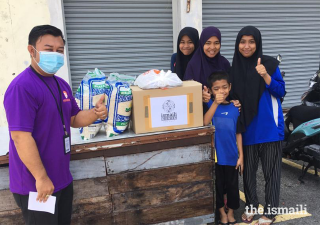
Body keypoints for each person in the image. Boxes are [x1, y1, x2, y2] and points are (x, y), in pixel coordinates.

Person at [3, 25, 108, 225]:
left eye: (59, 50)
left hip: (61, 179)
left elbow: (74, 118)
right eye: (48, 49)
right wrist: (41, 178)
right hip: (36, 186)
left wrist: (96, 113)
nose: (55, 55)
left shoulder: (61, 85)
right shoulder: (22, 88)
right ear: (31, 50)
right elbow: (20, 137)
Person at [229, 26, 285, 225]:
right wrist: (232, 102)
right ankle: (251, 205)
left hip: (270, 128)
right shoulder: (233, 68)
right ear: (237, 44)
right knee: (248, 172)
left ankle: (270, 212)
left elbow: (281, 91)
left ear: (258, 43)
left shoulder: (269, 63)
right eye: (242, 42)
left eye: (251, 42)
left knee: (272, 173)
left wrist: (265, 76)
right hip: (247, 129)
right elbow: (230, 96)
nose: (246, 46)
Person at [204, 71, 243, 225]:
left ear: (230, 87)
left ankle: (232, 212)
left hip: (232, 156)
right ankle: (221, 213)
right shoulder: (209, 105)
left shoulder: (235, 107)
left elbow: (238, 133)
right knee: (218, 186)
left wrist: (241, 156)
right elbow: (205, 122)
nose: (221, 91)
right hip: (216, 157)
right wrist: (214, 103)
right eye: (216, 88)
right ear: (211, 90)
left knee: (233, 187)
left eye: (224, 87)